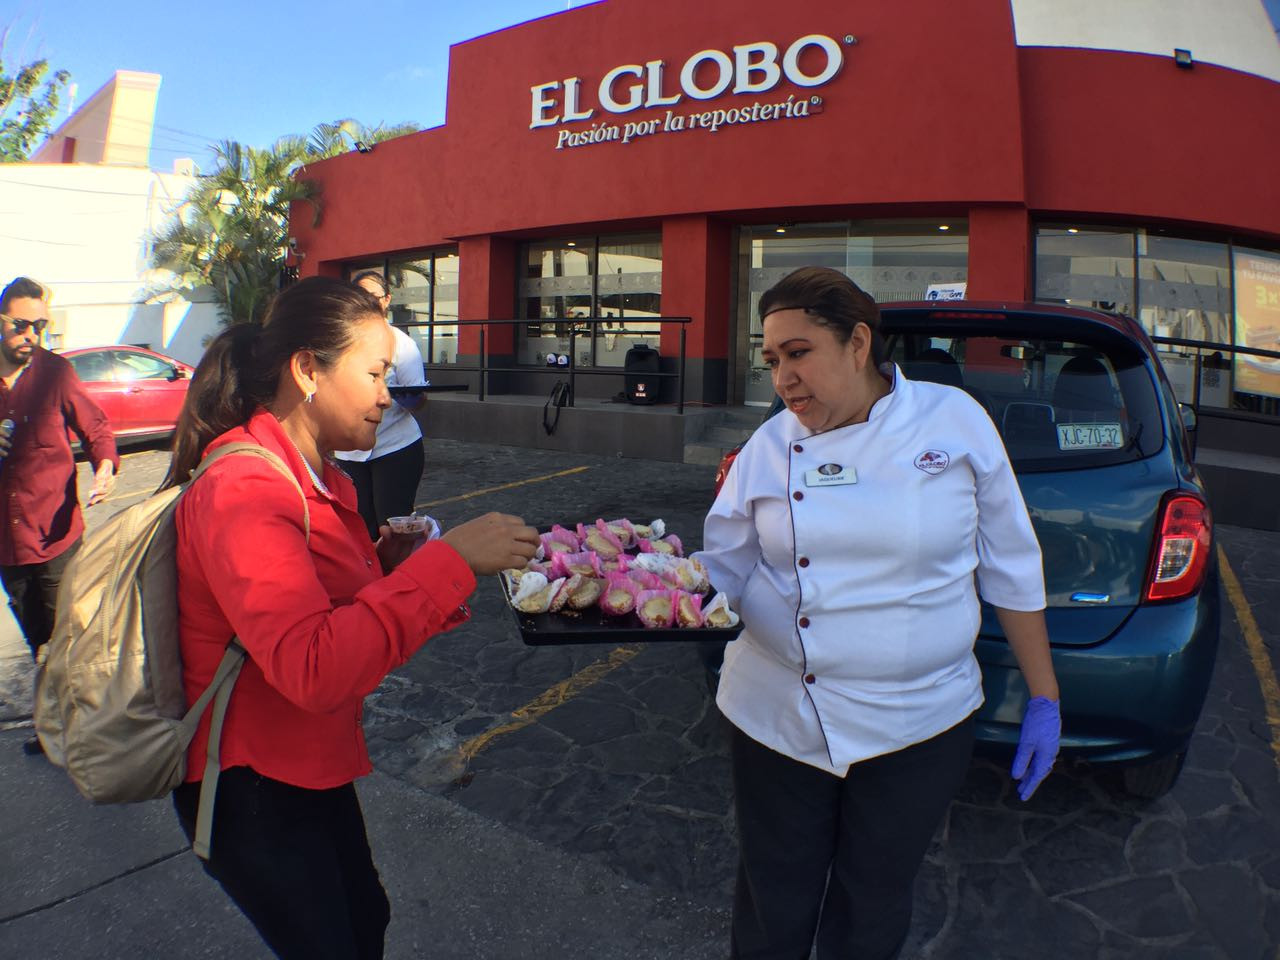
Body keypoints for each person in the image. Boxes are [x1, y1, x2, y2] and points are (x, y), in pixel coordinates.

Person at [163, 276, 539, 960]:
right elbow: (314, 666)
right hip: (251, 782)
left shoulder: (317, 477)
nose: (385, 395)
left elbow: (316, 614)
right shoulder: (244, 490)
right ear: (308, 369)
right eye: (372, 374)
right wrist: (449, 562)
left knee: (364, 920)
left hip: (306, 764)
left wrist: (387, 567)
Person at [695, 267, 1060, 960]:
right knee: (775, 897)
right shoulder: (768, 448)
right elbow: (723, 566)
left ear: (858, 342)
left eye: (798, 353)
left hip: (918, 723)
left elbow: (1011, 562)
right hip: (778, 717)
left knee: (873, 903)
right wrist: (641, 592)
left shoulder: (952, 421)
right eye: (771, 360)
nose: (782, 379)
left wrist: (1044, 695)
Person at [0, 277, 118, 754]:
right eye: (23, 325)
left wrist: (105, 467)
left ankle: (72, 729)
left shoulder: (55, 373)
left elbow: (96, 427)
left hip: (56, 535)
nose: (32, 335)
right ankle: (60, 720)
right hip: (6, 541)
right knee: (35, 633)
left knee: (64, 633)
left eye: (41, 326)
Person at [333, 270, 428, 539]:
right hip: (349, 452)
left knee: (393, 530)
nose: (367, 302)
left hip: (394, 447)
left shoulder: (402, 344)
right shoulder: (340, 341)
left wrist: (408, 397)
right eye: (359, 296)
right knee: (358, 528)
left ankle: (399, 580)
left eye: (373, 296)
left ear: (386, 300)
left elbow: (418, 402)